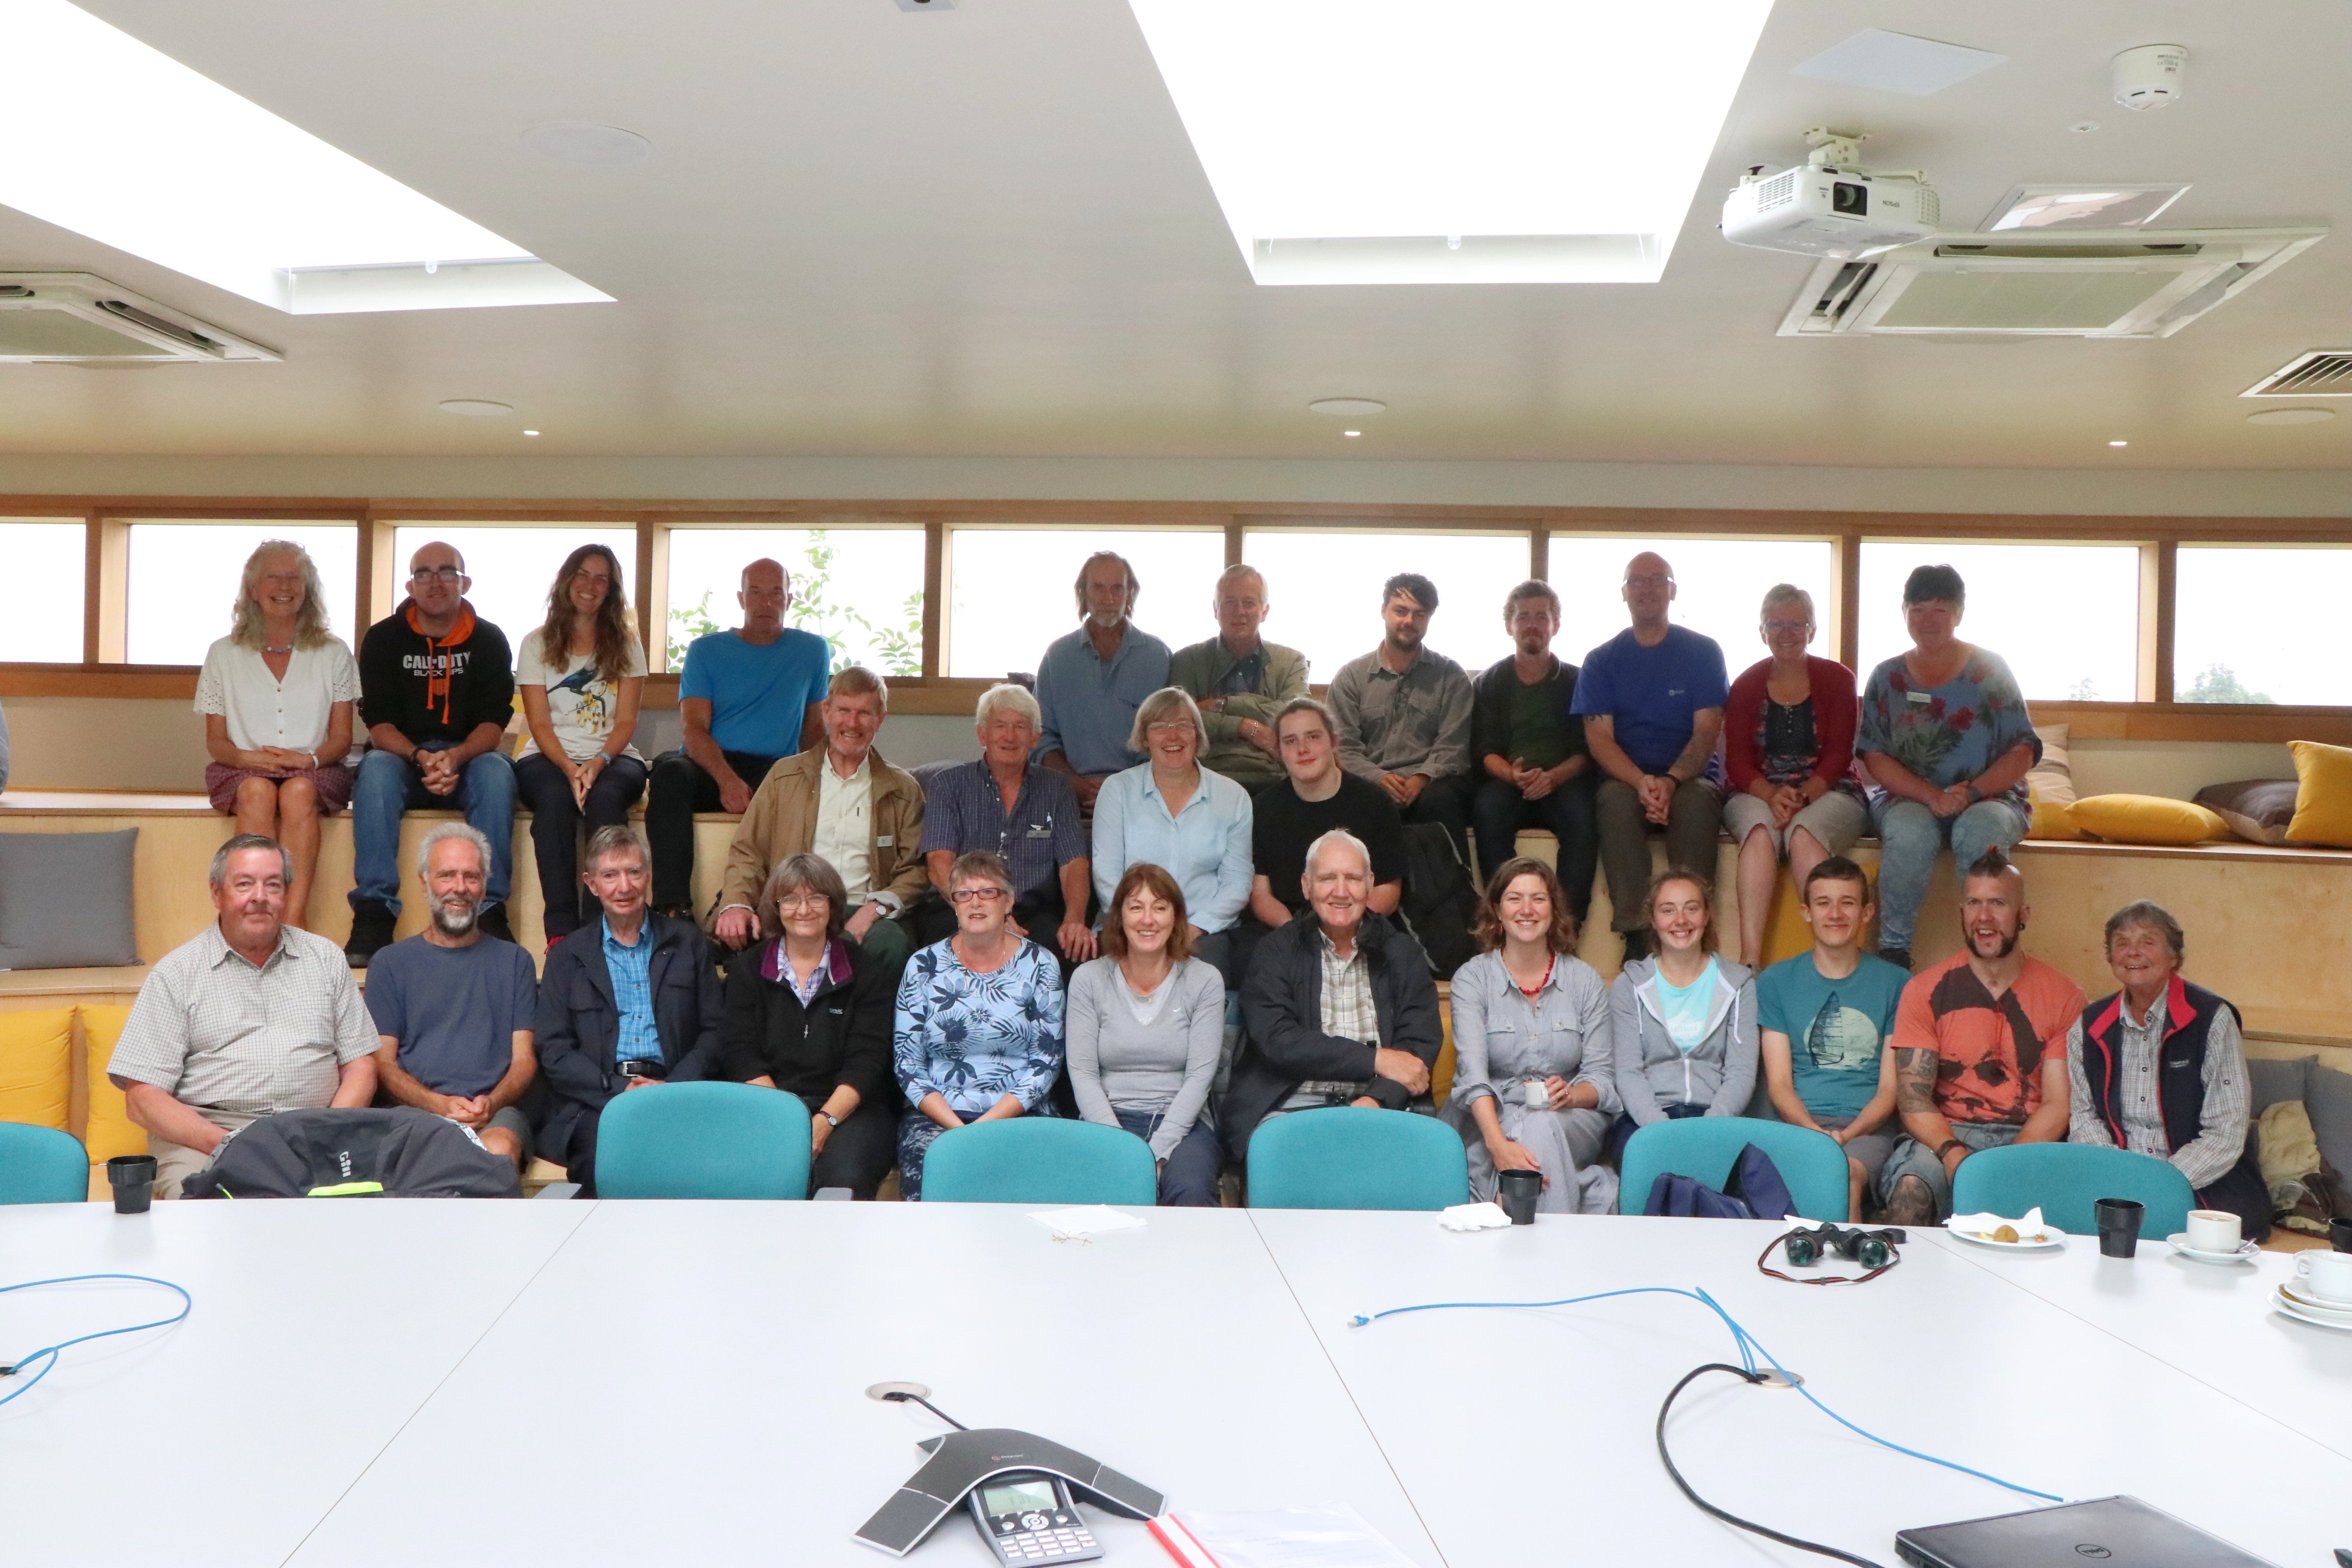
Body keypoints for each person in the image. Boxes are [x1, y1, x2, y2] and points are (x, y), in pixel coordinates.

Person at [105, 835, 379, 1199]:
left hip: (315, 1130)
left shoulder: (326, 960)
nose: (260, 897)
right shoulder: (177, 974)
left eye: (273, 885)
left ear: (287, 894)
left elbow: (361, 1066)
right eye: (245, 884)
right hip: (209, 1137)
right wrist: (238, 1145)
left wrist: (327, 1132)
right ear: (217, 894)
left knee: (375, 1207)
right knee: (206, 1212)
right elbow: (142, 1098)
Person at [1880, 849, 2083, 1225]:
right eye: (1974, 903)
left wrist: (2001, 1170)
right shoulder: (1924, 989)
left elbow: (2057, 1105)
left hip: (2027, 1139)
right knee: (1910, 1192)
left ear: (2023, 914)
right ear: (1962, 911)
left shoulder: (2064, 996)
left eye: (1998, 904)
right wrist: (1955, 1155)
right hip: (1946, 1135)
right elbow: (1912, 1098)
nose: (1984, 917)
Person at [1856, 564, 2038, 971]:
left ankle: (1990, 953)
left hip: (1990, 797)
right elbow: (1874, 755)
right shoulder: (1887, 677)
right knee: (1908, 833)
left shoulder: (1990, 670)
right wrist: (1932, 797)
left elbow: (2024, 749)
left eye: (1941, 609)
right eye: (1918, 609)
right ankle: (1893, 956)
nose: (1929, 620)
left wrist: (1970, 793)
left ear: (1958, 614)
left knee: (1978, 830)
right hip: (1908, 799)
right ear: (1903, 612)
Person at [347, 540, 518, 963]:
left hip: (469, 759)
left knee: (498, 772)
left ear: (466, 582)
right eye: (424, 573)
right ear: (410, 584)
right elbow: (379, 722)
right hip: (404, 759)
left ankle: (491, 907)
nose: (435, 581)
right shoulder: (384, 639)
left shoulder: (490, 640)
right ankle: (374, 912)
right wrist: (421, 757)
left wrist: (455, 757)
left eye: (447, 572)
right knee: (375, 770)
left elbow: (493, 724)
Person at [1227, 829, 1441, 1159]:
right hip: (1291, 1107)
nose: (1341, 892)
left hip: (1378, 1108)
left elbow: (1418, 1046)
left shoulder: (1402, 953)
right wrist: (1376, 1059)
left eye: (1353, 879)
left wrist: (1376, 1100)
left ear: (1370, 884)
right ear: (1306, 886)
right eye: (1327, 878)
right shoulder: (1276, 951)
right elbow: (1280, 1041)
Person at [534, 826, 724, 1196]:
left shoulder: (689, 944)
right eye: (610, 875)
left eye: (634, 872)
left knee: (698, 1163)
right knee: (604, 1158)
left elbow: (715, 1033)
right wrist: (622, 1090)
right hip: (599, 1101)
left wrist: (670, 1089)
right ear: (591, 884)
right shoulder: (567, 957)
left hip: (678, 1092)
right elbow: (554, 1049)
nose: (624, 886)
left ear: (648, 877)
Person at [2067, 901, 2268, 1240]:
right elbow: (2083, 1117)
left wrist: (2159, 1184)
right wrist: (2116, 1177)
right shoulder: (2089, 1026)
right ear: (2111, 958)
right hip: (2114, 1181)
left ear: (2175, 957)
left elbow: (2227, 1130)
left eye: (2148, 941)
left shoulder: (2211, 1019)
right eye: (2122, 943)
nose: (2133, 952)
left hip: (2198, 1182)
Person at [646, 559, 829, 918]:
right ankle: (672, 908)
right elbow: (694, 730)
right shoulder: (706, 651)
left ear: (789, 600)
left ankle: (743, 907)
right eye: (755, 593)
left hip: (773, 769)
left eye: (775, 593)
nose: (766, 603)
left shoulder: (812, 651)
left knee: (795, 787)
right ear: (741, 599)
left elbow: (813, 732)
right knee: (668, 772)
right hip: (710, 763)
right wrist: (727, 779)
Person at [1573, 552, 1729, 963]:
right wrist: (1643, 782)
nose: (1647, 589)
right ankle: (1638, 934)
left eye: (1657, 579)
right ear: (1624, 593)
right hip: (1626, 779)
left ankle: (1692, 928)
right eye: (1636, 582)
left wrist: (1672, 780)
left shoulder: (1703, 652)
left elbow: (1708, 729)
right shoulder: (1601, 660)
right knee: (1613, 802)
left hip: (1690, 778)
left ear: (1673, 590)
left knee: (1696, 804)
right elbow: (1599, 738)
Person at [711, 667, 924, 969]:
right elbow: (749, 852)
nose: (852, 723)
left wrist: (875, 908)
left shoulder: (902, 789)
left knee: (892, 945)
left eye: (864, 713)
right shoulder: (784, 777)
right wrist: (736, 903)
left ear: (880, 719)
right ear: (827, 712)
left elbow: (915, 870)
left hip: (864, 909)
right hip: (794, 907)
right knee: (755, 959)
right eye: (844, 711)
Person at [195, 541, 359, 930]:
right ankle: (251, 914)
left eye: (294, 577)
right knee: (258, 791)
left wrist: (309, 760)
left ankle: (293, 920)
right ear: (254, 589)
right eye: (273, 576)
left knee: (299, 792)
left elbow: (341, 739)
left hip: (316, 768)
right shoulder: (223, 653)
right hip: (242, 768)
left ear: (308, 589)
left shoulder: (335, 653)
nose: (284, 586)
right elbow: (217, 743)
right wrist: (252, 760)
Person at [1443, 857, 1618, 1214]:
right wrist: (1498, 1146)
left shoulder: (1585, 981)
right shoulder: (1472, 979)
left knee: (1542, 1122)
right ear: (1497, 911)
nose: (1527, 910)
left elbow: (1602, 1079)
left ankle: (1505, 1210)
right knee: (1531, 1131)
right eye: (1514, 899)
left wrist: (1570, 1095)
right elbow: (1473, 1076)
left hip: (1572, 1119)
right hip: (1494, 1114)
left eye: (1538, 899)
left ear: (1554, 910)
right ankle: (1569, 1213)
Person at [721, 853, 899, 1199]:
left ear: (833, 905)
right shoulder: (748, 971)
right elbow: (741, 1054)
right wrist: (787, 1119)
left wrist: (823, 1122)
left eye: (816, 897)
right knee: (758, 1178)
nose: (804, 909)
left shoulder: (866, 972)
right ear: (776, 906)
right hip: (769, 1104)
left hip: (851, 1111)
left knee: (842, 1182)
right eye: (791, 899)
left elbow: (868, 1061)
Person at [364, 823, 541, 1169]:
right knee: (415, 1160)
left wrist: (489, 1103)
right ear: (425, 881)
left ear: (485, 885)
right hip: (413, 1114)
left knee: (498, 1152)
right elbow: (382, 1064)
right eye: (447, 876)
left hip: (494, 1114)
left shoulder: (516, 962)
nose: (459, 888)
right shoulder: (389, 964)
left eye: (471, 877)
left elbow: (525, 1061)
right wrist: (438, 1105)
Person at [893, 851, 1066, 1200]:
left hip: (1020, 1114)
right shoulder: (922, 966)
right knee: (931, 1178)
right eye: (964, 894)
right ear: (953, 904)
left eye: (988, 892)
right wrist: (957, 1129)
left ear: (1009, 902)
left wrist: (983, 1129)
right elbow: (908, 1064)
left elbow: (1045, 1063)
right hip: (939, 1117)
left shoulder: (1040, 965)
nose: (976, 902)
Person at [1754, 857, 1908, 1220]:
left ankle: (1849, 1276)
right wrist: (1815, 1134)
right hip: (1796, 1124)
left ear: (1868, 912)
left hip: (1868, 1130)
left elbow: (1889, 1092)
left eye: (1848, 902)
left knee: (1843, 1178)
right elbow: (1779, 1086)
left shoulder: (1898, 984)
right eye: (1823, 903)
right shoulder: (1775, 982)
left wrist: (1845, 1136)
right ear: (1806, 913)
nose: (1835, 913)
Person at [1065, 864, 1226, 1206]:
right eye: (1136, 907)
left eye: (1160, 907)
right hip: (1106, 1121)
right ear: (1119, 917)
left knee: (1192, 1190)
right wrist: (1122, 1149)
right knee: (1101, 1194)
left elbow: (1200, 1077)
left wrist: (1157, 1153)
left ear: (1176, 917)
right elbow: (1082, 1074)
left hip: (1183, 1124)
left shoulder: (1205, 980)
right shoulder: (1088, 979)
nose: (1148, 920)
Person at [1723, 584, 1866, 971]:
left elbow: (1839, 753)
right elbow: (1737, 760)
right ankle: (1750, 963)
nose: (1787, 633)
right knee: (1758, 830)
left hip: (1829, 788)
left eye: (1797, 624)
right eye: (1776, 624)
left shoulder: (1838, 678)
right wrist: (1770, 795)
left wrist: (1802, 797)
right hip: (1757, 788)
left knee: (1802, 833)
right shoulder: (1745, 685)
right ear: (1762, 632)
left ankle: (1832, 956)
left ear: (1813, 631)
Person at [513, 543, 648, 944]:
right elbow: (538, 722)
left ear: (612, 590)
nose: (591, 585)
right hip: (547, 757)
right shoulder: (536, 643)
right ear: (567, 581)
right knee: (555, 802)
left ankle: (599, 928)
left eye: (602, 579)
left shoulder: (626, 643)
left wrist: (600, 760)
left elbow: (626, 721)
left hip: (615, 756)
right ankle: (560, 932)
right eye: (583, 575)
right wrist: (571, 768)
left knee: (605, 801)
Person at [907, 683, 1096, 969]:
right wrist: (993, 916)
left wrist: (1074, 921)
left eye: (1020, 727)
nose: (1009, 736)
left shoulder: (1057, 789)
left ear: (1036, 737)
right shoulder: (949, 785)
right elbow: (939, 865)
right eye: (1000, 726)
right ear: (982, 734)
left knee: (1067, 950)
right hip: (959, 909)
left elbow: (1074, 864)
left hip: (1034, 913)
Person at [1089, 687, 1253, 983]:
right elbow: (1107, 872)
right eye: (1160, 727)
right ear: (1144, 737)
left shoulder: (1234, 797)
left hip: (1202, 930)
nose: (1173, 736)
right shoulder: (1117, 790)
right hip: (1130, 924)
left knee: (1209, 979)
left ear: (1198, 734)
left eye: (1182, 726)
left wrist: (1190, 931)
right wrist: (1143, 923)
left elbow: (1237, 883)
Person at [1327, 572, 1476, 866]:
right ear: (1384, 611)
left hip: (1432, 784)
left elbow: (1454, 745)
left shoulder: (1451, 676)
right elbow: (1343, 747)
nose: (1409, 621)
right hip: (1370, 781)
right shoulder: (1351, 677)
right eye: (1400, 611)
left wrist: (1421, 779)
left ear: (1430, 618)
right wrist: (1379, 779)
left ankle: (1455, 900)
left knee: (1442, 801)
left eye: (1419, 614)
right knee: (1357, 800)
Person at [1609, 869, 1758, 1161]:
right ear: (1653, 921)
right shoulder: (1630, 984)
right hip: (1647, 1120)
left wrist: (1707, 1129)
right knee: (1649, 1164)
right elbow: (1628, 1073)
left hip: (1717, 1118)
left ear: (1707, 916)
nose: (1681, 920)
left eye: (1692, 908)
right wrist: (1663, 1132)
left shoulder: (1739, 983)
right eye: (1668, 910)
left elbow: (1741, 1073)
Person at [1469, 580, 1596, 916]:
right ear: (1509, 626)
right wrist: (1513, 776)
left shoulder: (1577, 680)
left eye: (1542, 617)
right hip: (1510, 783)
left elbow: (1587, 751)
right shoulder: (1490, 682)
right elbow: (1485, 751)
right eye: (1523, 616)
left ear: (1556, 625)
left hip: (1563, 782)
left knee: (1584, 817)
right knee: (1487, 808)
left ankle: (1567, 924)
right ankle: (1507, 916)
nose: (1532, 625)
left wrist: (1552, 778)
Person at [1249, 697, 1407, 934]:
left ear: (1334, 742)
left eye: (1313, 737)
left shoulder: (1374, 803)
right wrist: (1298, 935)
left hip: (1361, 927)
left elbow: (1388, 891)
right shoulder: (1263, 808)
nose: (1303, 750)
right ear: (1279, 751)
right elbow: (1262, 896)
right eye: (1291, 741)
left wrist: (1339, 932)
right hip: (1290, 931)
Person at [1035, 551, 1172, 808]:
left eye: (1117, 589)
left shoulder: (1159, 656)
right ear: (1083, 593)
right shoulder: (1058, 656)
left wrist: (1124, 789)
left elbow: (1171, 736)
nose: (1108, 599)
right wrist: (1073, 784)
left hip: (1144, 797)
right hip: (1068, 794)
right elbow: (1040, 735)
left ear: (1130, 594)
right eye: (1098, 588)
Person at [1167, 564, 1308, 790]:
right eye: (1230, 602)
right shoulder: (1187, 660)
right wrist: (1245, 726)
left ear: (1265, 612)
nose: (1239, 611)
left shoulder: (1291, 662)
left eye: (1249, 603)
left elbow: (1295, 720)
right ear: (1215, 609)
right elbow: (1179, 721)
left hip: (1275, 781)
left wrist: (1223, 704)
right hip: (1203, 779)